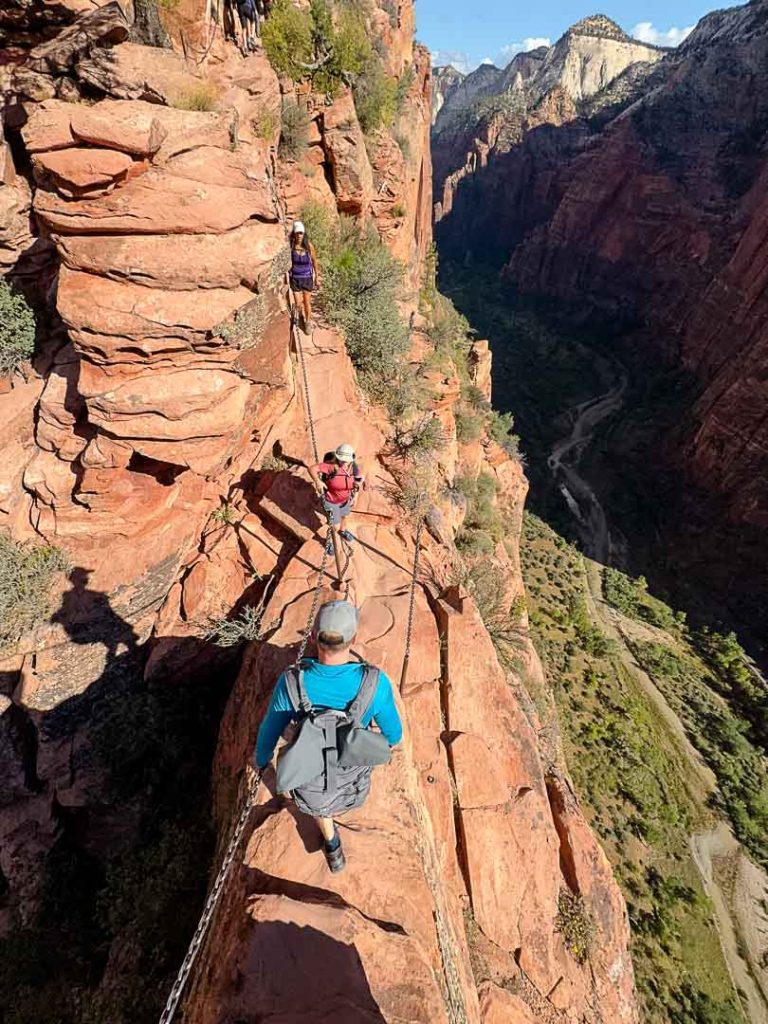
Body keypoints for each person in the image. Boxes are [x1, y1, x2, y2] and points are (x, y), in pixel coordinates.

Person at [254, 600, 402, 872]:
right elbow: (394, 736)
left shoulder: (291, 683)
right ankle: (332, 840)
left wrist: (263, 764)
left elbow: (268, 734)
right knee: (334, 784)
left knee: (320, 798)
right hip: (352, 779)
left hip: (310, 779)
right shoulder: (374, 684)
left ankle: (332, 844)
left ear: (312, 637)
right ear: (354, 639)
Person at [308, 443, 365, 544]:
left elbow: (358, 481)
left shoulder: (353, 467)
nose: (344, 462)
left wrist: (355, 496)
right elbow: (312, 468)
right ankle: (329, 542)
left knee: (344, 517)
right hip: (331, 501)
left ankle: (343, 531)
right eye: (341, 460)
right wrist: (318, 481)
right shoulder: (331, 467)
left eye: (346, 460)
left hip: (345, 500)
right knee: (334, 526)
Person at [289, 220, 319, 332]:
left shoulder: (309, 246)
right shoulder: (291, 246)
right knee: (298, 303)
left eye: (301, 233)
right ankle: (301, 315)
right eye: (297, 233)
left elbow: (315, 261)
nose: (299, 235)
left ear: (304, 233)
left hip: (307, 278)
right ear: (294, 234)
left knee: (307, 302)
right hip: (295, 278)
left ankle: (307, 322)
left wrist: (317, 277)